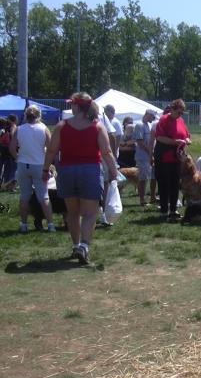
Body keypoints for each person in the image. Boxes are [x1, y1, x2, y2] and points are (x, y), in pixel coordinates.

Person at [42, 92, 118, 264]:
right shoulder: (97, 127)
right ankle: (84, 246)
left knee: (73, 213)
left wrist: (45, 169)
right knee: (90, 213)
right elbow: (107, 152)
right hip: (90, 171)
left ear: (77, 106)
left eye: (72, 104)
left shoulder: (62, 126)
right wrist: (114, 171)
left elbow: (52, 151)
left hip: (67, 171)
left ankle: (76, 245)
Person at [9, 105, 55, 233]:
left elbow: (12, 148)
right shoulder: (44, 129)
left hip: (23, 164)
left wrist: (18, 158)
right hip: (39, 165)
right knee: (44, 197)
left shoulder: (19, 129)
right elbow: (51, 149)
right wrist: (48, 164)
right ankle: (50, 224)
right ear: (39, 115)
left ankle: (23, 224)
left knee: (24, 197)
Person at [154, 99, 191, 220]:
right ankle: (164, 209)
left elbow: (187, 135)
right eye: (178, 112)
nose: (180, 115)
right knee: (164, 182)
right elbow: (159, 137)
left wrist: (187, 141)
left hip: (176, 157)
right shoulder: (164, 119)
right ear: (172, 109)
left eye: (181, 113)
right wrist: (175, 142)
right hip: (164, 156)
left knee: (175, 183)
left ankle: (173, 209)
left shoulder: (180, 121)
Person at [134, 109, 156, 206]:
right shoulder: (139, 125)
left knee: (150, 177)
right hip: (143, 156)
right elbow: (140, 142)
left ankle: (151, 197)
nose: (153, 119)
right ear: (147, 114)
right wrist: (150, 152)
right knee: (143, 178)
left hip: (149, 156)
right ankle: (142, 199)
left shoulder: (149, 125)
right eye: (152, 116)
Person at [0, 114, 18, 192]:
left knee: (7, 169)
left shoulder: (5, 128)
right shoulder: (13, 127)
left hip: (4, 151)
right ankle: (10, 187)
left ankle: (5, 185)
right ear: (15, 120)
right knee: (12, 169)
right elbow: (13, 135)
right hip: (11, 151)